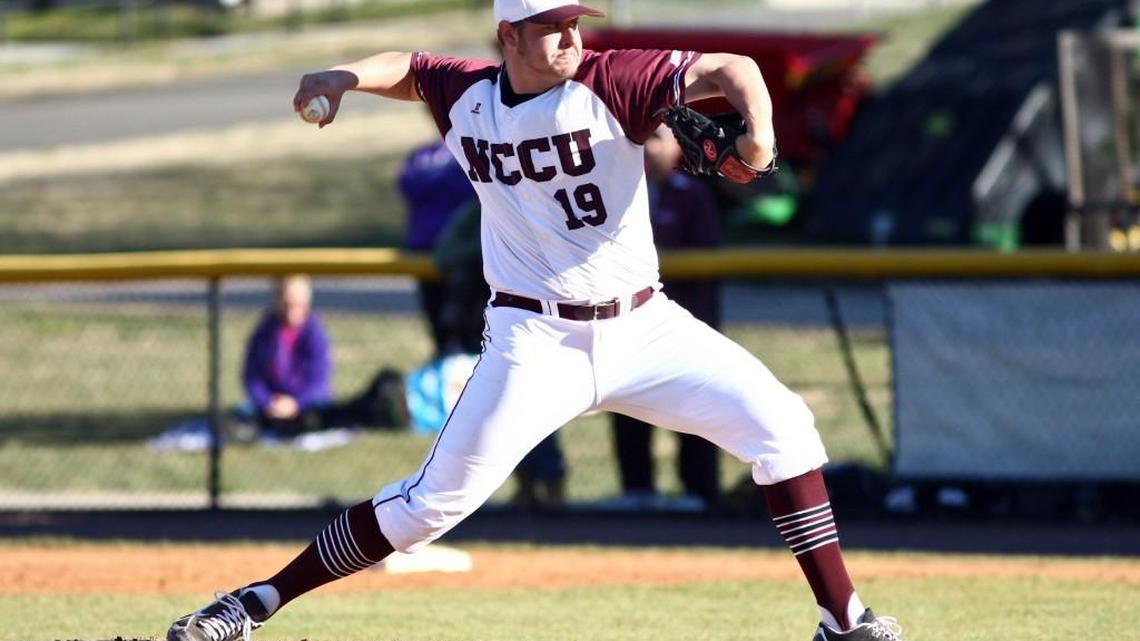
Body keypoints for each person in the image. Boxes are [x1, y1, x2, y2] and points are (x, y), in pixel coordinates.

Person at [167, 2, 905, 641]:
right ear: (507, 37)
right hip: (533, 340)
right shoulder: (469, 97)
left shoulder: (612, 80)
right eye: (547, 26)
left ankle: (844, 618)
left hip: (646, 329)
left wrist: (762, 135)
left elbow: (733, 67)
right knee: (429, 506)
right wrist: (342, 77)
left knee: (783, 427)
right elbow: (412, 66)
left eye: (571, 22)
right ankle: (254, 601)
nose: (568, 37)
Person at [608, 125, 722, 511]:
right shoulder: (615, 190)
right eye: (639, 139)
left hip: (682, 319)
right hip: (626, 322)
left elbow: (708, 259)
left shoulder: (691, 195)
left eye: (657, 138)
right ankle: (637, 488)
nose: (647, 147)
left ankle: (699, 490)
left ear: (677, 145)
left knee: (693, 403)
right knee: (627, 402)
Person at [398, 139, 480, 357]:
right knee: (439, 328)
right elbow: (407, 185)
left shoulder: (469, 145)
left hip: (468, 259)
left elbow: (469, 186)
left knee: (472, 329)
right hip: (424, 250)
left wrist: (436, 183)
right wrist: (445, 182)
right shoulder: (423, 153)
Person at [240, 274, 333, 437]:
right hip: (272, 402)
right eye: (287, 303)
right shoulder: (264, 333)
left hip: (306, 402)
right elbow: (251, 376)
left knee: (319, 413)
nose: (292, 310)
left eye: (297, 304)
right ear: (277, 301)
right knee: (242, 412)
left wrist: (296, 403)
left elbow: (319, 381)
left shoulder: (315, 333)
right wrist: (268, 402)